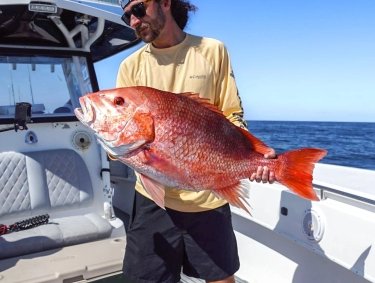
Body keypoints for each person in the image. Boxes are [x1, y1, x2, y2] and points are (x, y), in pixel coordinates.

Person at [116, 1, 276, 282]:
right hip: (153, 199)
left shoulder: (212, 51)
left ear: (164, 2)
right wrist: (116, 149)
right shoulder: (131, 66)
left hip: (208, 197)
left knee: (221, 278)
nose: (133, 21)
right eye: (127, 15)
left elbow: (231, 114)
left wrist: (255, 154)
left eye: (139, 9)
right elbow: (121, 130)